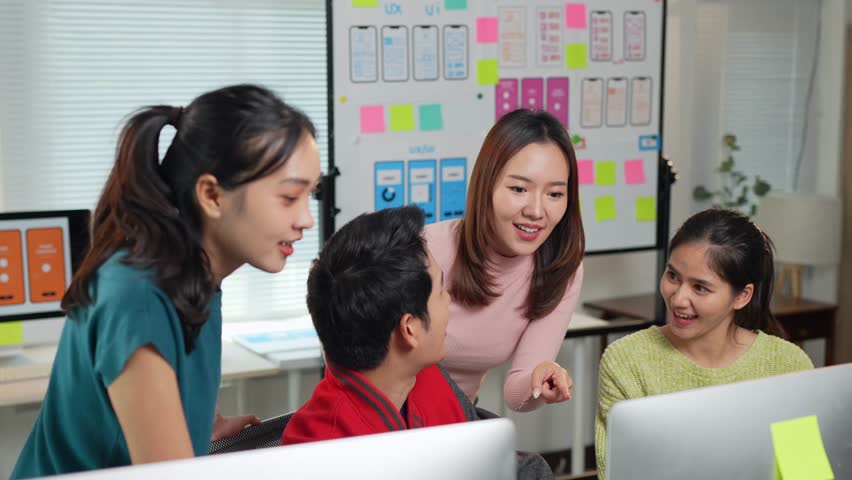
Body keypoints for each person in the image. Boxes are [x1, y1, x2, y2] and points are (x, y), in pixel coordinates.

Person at [12, 84, 321, 479]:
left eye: (311, 195)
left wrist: (203, 428)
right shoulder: (138, 297)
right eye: (289, 198)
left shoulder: (196, 278)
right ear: (211, 195)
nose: (306, 220)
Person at [282, 206, 553, 480]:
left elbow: (494, 458)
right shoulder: (316, 454)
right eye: (439, 291)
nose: (448, 300)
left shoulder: (427, 376)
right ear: (410, 329)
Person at [594, 208, 814, 476]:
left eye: (700, 287)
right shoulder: (626, 361)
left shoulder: (788, 365)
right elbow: (619, 473)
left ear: (742, 296)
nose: (678, 299)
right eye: (673, 276)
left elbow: (805, 471)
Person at [423, 109, 585, 412]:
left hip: (456, 421)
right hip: (381, 422)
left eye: (554, 194)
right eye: (519, 189)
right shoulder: (427, 249)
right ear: (488, 186)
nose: (537, 211)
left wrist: (540, 379)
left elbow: (517, 393)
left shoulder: (561, 269)